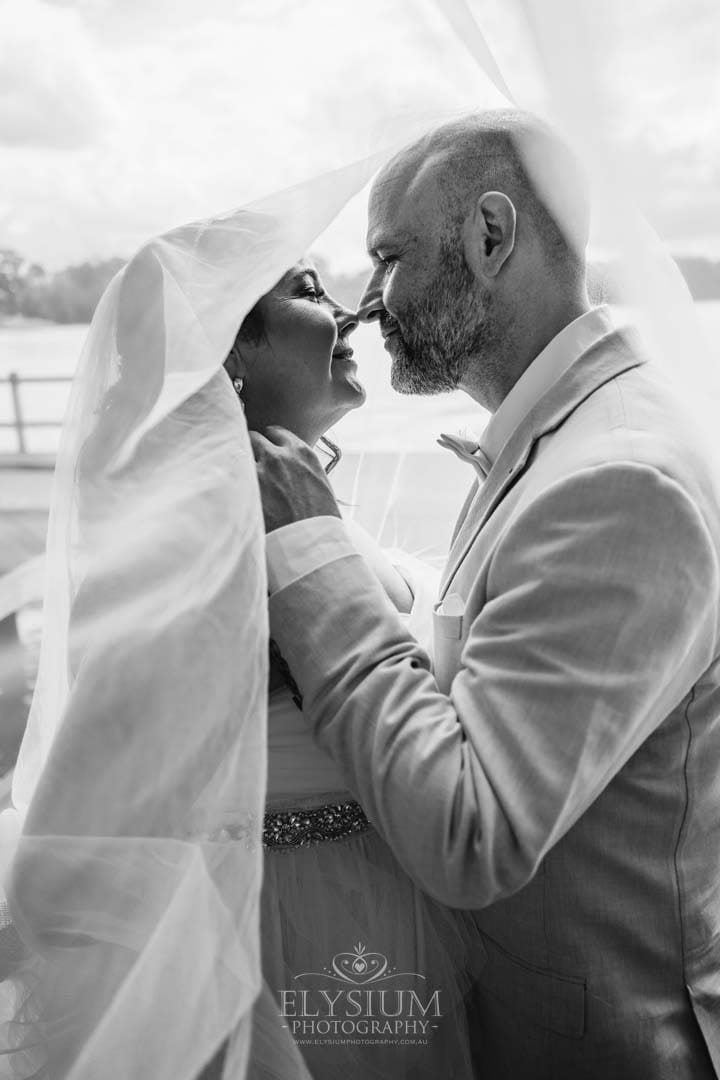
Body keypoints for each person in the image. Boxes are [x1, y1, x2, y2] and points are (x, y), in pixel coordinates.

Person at [250, 109, 720, 1079]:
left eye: (388, 257)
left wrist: (315, 555)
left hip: (601, 1044)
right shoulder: (561, 434)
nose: (368, 304)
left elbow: (474, 836)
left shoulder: (615, 480)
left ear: (490, 236)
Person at [223, 262, 478, 1080]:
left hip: (400, 883)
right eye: (305, 291)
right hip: (309, 918)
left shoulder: (295, 492)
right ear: (229, 355)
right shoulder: (215, 522)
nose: (353, 309)